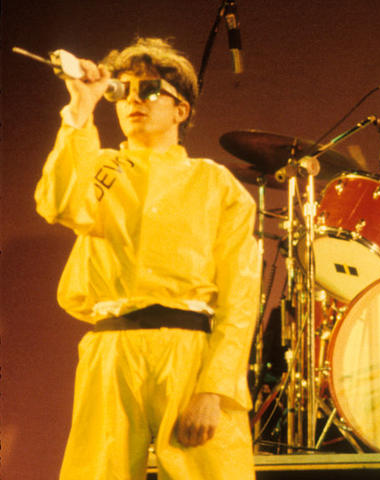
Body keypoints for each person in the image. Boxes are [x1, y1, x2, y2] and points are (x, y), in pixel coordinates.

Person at [34, 37, 260, 479]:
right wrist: (81, 108)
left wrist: (214, 389)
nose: (136, 99)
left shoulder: (215, 185)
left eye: (152, 90)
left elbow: (240, 296)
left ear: (182, 109)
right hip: (112, 348)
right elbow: (59, 204)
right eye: (125, 90)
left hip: (189, 352)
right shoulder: (100, 167)